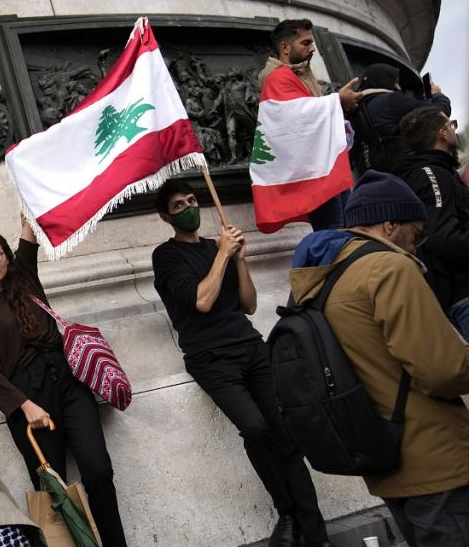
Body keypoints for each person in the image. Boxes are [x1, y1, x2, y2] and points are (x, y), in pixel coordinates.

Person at [289, 170, 469, 546]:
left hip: (384, 458)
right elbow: (441, 370)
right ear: (390, 224)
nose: (416, 248)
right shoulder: (389, 268)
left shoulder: (321, 280)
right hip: (435, 458)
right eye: (416, 235)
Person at [150, 179, 331, 547]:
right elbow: (201, 300)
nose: (188, 209)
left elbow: (248, 304)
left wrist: (240, 260)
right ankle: (287, 512)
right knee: (255, 429)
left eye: (191, 201)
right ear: (165, 217)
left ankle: (316, 534)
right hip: (211, 359)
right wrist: (221, 255)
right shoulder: (166, 257)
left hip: (250, 347)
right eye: (178, 206)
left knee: (285, 433)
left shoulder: (219, 248)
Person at [0, 221, 128, 547]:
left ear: (8, 258)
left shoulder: (27, 282)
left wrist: (27, 208)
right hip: (28, 398)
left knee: (98, 470)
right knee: (54, 488)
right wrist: (24, 405)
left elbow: (28, 232)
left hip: (68, 382)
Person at [258, 19, 360, 230]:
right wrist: (337, 100)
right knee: (334, 229)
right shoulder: (277, 78)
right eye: (305, 43)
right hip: (314, 170)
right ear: (285, 48)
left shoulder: (299, 74)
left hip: (322, 163)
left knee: (344, 227)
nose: (313, 48)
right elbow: (297, 117)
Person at [389, 107, 469, 340]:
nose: (454, 130)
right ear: (442, 134)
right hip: (462, 292)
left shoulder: (439, 171)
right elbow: (442, 235)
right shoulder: (431, 173)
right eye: (450, 125)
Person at [349, 63, 450, 175]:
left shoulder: (355, 109)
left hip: (371, 178)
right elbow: (439, 114)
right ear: (384, 80)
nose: (398, 87)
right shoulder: (392, 100)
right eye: (395, 82)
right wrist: (437, 95)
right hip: (406, 174)